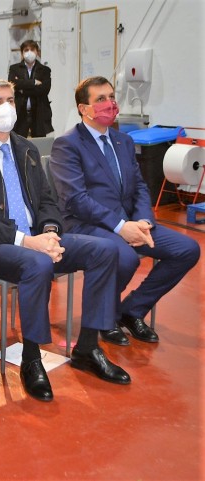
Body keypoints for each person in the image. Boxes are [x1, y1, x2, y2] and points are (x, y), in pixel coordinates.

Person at [0, 79, 130, 402]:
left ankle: (88, 347)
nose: (6, 107)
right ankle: (32, 357)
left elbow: (46, 201)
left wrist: (52, 233)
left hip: (37, 240)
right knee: (38, 263)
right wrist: (28, 242)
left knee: (104, 250)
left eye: (11, 100)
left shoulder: (26, 149)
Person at [50, 76, 200, 346]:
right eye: (100, 99)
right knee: (126, 256)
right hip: (86, 225)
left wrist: (143, 220)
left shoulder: (123, 141)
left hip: (129, 221)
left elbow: (140, 186)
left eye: (111, 97)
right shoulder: (68, 144)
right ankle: (103, 318)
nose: (110, 104)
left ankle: (130, 310)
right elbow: (75, 199)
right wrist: (121, 226)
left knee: (187, 249)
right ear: (84, 109)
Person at [8, 40, 53, 138]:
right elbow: (12, 84)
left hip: (39, 112)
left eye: (32, 49)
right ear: (22, 53)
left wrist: (22, 89)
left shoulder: (45, 70)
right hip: (20, 112)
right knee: (18, 142)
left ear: (37, 52)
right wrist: (33, 82)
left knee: (39, 143)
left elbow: (44, 90)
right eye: (26, 50)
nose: (29, 52)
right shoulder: (14, 69)